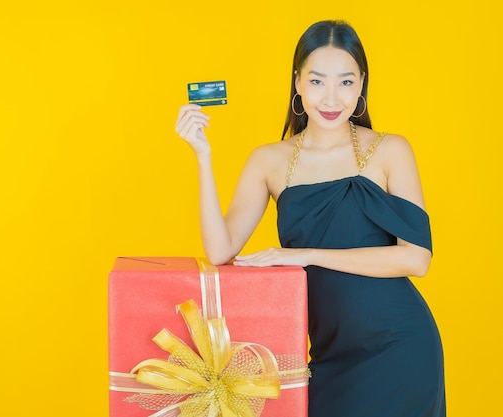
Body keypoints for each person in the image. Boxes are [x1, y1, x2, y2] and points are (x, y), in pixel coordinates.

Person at [175, 19, 445, 417]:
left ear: (362, 84)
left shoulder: (390, 151)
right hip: (327, 356)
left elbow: (416, 258)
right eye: (317, 81)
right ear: (298, 83)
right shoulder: (268, 161)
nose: (332, 97)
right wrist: (202, 156)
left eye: (346, 82)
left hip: (400, 348)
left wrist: (307, 254)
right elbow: (219, 251)